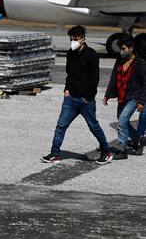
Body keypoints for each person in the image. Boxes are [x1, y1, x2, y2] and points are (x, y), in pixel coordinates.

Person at [41, 25, 112, 164]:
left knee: (94, 127)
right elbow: (69, 73)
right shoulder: (70, 53)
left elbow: (94, 78)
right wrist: (67, 90)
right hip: (71, 98)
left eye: (75, 39)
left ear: (83, 39)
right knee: (61, 126)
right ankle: (55, 153)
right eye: (71, 39)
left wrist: (88, 97)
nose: (73, 41)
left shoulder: (92, 55)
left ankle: (106, 152)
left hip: (86, 100)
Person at [103, 36, 146, 158]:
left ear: (131, 49)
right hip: (122, 96)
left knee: (122, 121)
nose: (121, 51)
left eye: (123, 48)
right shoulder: (120, 61)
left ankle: (122, 150)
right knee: (121, 119)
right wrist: (107, 95)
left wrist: (141, 101)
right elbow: (113, 78)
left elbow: (145, 84)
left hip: (134, 96)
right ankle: (136, 139)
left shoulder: (140, 64)